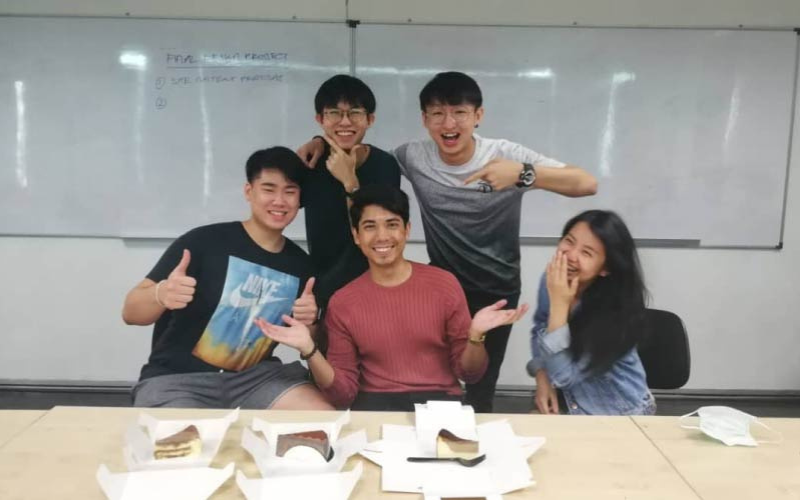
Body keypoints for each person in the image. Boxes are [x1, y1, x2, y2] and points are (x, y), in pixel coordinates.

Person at [298, 71, 597, 412]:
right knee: (432, 379)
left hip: (494, 288)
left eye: (460, 112)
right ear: (425, 120)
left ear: (478, 116)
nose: (448, 123)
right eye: (437, 114)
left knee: (480, 387)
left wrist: (523, 174)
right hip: (439, 290)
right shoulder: (412, 157)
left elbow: (586, 183)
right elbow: (357, 146)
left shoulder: (504, 155)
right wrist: (320, 141)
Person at [255, 184, 529, 411]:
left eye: (392, 224)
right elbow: (342, 395)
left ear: (407, 230)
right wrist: (309, 349)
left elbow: (470, 373)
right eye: (370, 226)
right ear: (356, 235)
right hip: (374, 406)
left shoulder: (443, 285)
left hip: (440, 405)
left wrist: (476, 335)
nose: (382, 236)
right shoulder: (344, 301)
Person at [122, 147, 333, 410]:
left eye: (290, 191)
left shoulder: (301, 265)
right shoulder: (203, 242)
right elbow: (130, 313)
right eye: (269, 189)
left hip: (257, 380)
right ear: (249, 192)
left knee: (321, 421)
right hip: (179, 379)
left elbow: (312, 341)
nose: (280, 201)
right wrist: (160, 294)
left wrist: (310, 323)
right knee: (185, 447)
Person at [527, 210, 655, 415]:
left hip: (620, 412)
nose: (570, 256)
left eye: (586, 253)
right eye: (569, 241)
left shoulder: (617, 313)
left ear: (605, 268)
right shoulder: (553, 279)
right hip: (570, 400)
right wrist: (542, 376)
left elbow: (564, 375)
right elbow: (541, 327)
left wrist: (559, 305)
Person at [302, 75, 401, 320]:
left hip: (374, 287)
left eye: (355, 112)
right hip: (323, 289)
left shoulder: (385, 165)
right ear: (320, 120)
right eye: (334, 113)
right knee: (323, 358)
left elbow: (377, 230)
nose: (345, 122)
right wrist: (318, 142)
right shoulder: (310, 162)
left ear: (370, 119)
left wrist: (350, 182)